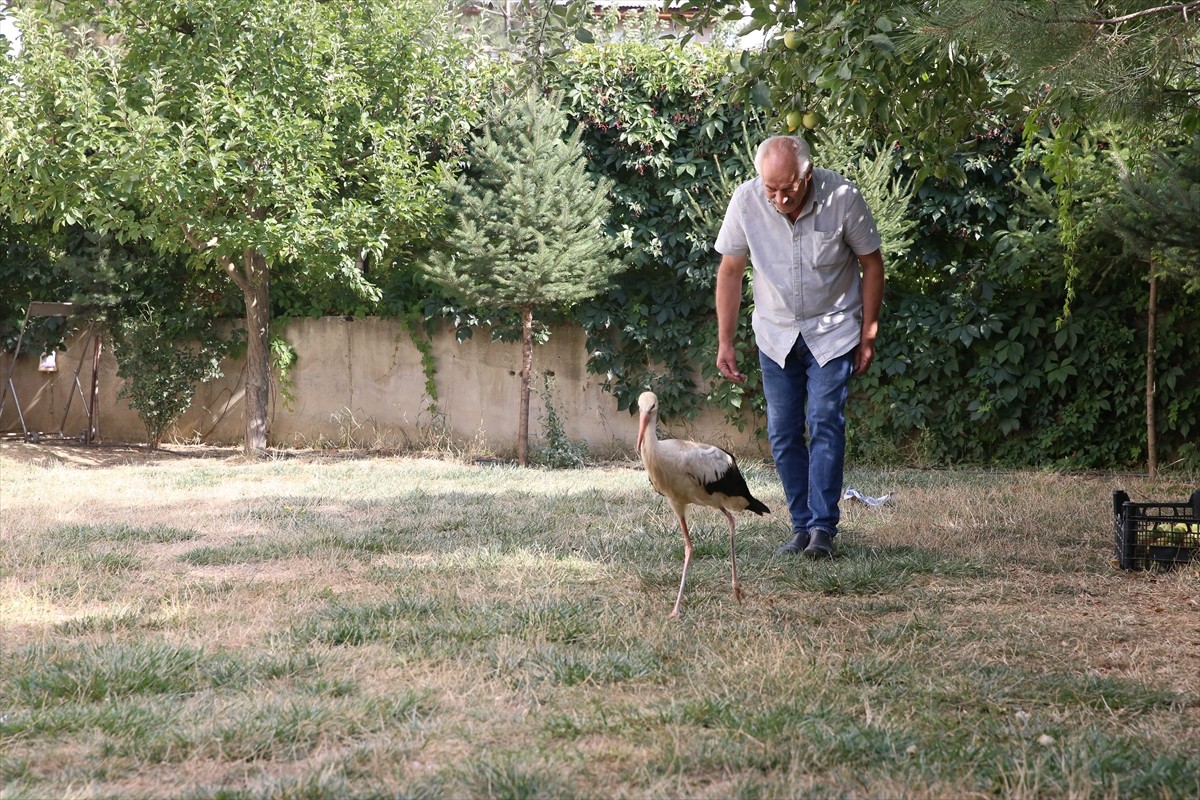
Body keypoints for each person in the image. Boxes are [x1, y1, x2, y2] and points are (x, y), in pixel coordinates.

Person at [714, 135, 885, 559]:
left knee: (825, 420)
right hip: (775, 334)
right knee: (784, 432)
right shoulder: (746, 201)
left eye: (788, 187)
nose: (778, 197)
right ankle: (800, 526)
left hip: (833, 332)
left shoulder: (842, 196)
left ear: (807, 174)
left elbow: (872, 262)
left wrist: (868, 334)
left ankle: (823, 529)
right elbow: (731, 271)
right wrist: (725, 340)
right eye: (770, 188)